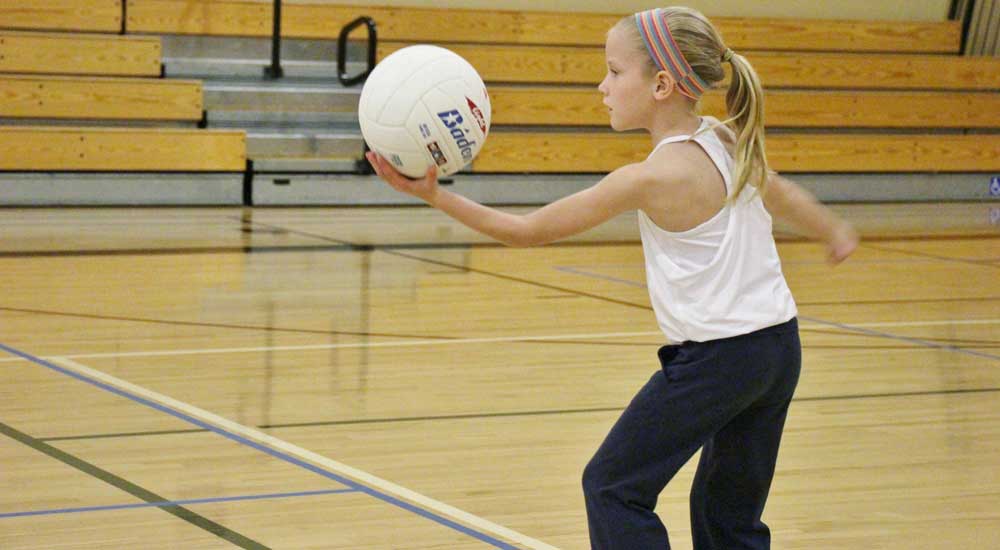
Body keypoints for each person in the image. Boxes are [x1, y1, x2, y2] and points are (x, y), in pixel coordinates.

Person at [366, 6, 859, 549]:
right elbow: (782, 194)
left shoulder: (650, 177)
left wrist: (434, 195)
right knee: (727, 516)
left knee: (612, 486)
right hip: (778, 348)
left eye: (615, 71)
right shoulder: (725, 138)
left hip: (719, 360)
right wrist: (832, 230)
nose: (603, 86)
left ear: (662, 85)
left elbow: (526, 231)